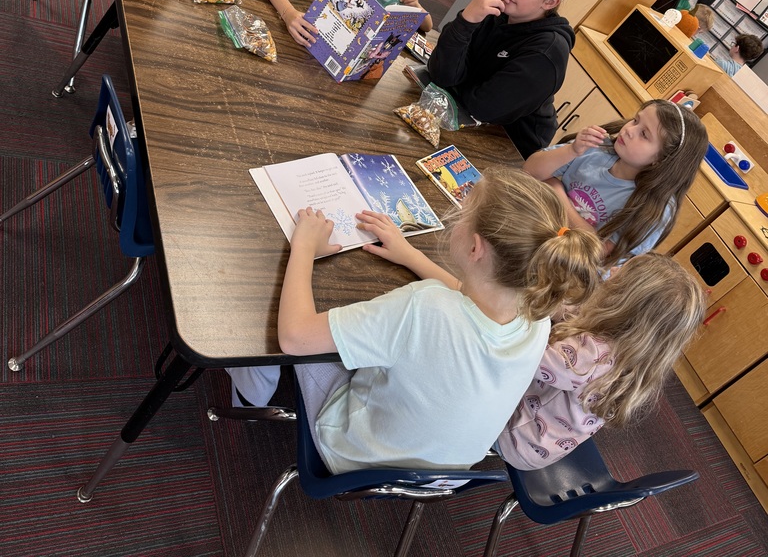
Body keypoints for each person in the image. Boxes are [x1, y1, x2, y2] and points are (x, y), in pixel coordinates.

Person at [227, 167, 604, 473]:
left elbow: (294, 337)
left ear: (475, 248)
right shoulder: (537, 315)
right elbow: (469, 298)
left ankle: (247, 400)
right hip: (445, 473)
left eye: (462, 214)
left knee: (262, 313)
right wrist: (411, 256)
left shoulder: (424, 307)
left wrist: (305, 248)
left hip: (360, 456)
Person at [496, 253, 706, 470]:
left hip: (514, 438)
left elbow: (522, 357)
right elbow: (577, 313)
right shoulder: (632, 353)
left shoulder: (593, 356)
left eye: (622, 272)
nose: (613, 270)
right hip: (543, 445)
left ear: (626, 301)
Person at [427, 0, 576, 159]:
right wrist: (466, 20)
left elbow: (484, 108)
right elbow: (441, 72)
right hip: (463, 117)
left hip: (508, 146)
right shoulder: (496, 11)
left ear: (550, 2)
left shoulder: (547, 52)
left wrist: (459, 78)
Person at [523, 99, 708, 265]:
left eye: (644, 134)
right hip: (538, 230)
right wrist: (572, 150)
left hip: (567, 264)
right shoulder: (599, 146)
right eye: (636, 120)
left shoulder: (655, 210)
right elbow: (530, 170)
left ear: (661, 159)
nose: (629, 130)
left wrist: (558, 195)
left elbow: (599, 253)